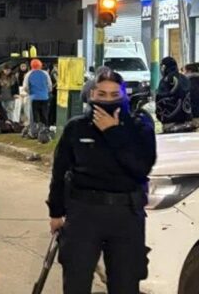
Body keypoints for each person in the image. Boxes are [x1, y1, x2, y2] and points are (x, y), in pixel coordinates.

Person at [48, 69, 156, 293]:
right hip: (84, 214)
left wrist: (113, 132)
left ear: (124, 96)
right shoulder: (76, 127)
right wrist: (56, 213)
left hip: (126, 214)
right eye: (101, 95)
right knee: (76, 282)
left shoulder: (139, 127)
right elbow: (59, 172)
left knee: (126, 284)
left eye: (114, 95)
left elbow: (141, 168)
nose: (108, 100)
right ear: (91, 96)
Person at [155, 56, 192, 125]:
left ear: (165, 67)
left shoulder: (165, 80)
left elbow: (159, 98)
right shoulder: (185, 78)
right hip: (187, 118)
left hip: (170, 119)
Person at [23, 59, 52, 131]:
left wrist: (30, 93)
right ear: (40, 65)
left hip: (34, 98)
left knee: (35, 116)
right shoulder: (45, 73)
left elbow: (25, 87)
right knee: (44, 114)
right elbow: (49, 86)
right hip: (45, 97)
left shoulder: (28, 74)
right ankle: (45, 130)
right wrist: (46, 92)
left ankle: (35, 130)